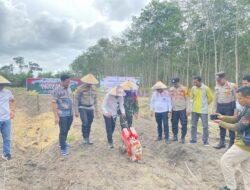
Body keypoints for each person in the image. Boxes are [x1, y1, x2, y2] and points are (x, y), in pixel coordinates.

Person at [213, 86, 250, 190]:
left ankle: (230, 187)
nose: (238, 101)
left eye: (240, 98)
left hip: (244, 144)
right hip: (247, 144)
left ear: (248, 97)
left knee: (225, 161)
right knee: (247, 169)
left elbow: (238, 127)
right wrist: (223, 117)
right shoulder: (246, 107)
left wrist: (222, 123)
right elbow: (237, 119)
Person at [213, 72, 237, 149]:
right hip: (220, 107)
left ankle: (231, 143)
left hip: (229, 107)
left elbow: (237, 98)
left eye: (219, 80)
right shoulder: (217, 86)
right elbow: (215, 99)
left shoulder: (232, 86)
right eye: (217, 81)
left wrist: (236, 110)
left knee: (230, 125)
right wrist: (214, 110)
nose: (218, 82)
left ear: (224, 79)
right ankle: (222, 142)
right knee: (221, 125)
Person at [51, 74, 73, 156]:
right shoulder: (56, 90)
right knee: (63, 130)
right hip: (62, 114)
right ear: (62, 81)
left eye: (69, 82)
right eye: (67, 82)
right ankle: (63, 147)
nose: (68, 83)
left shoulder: (69, 88)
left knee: (67, 129)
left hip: (70, 113)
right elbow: (53, 103)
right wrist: (56, 116)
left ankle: (63, 142)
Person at [74, 74, 98, 145]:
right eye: (89, 82)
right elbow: (76, 99)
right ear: (86, 81)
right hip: (82, 108)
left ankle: (88, 138)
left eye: (91, 82)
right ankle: (84, 139)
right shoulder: (80, 88)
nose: (90, 83)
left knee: (89, 124)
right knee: (85, 123)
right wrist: (76, 111)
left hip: (91, 108)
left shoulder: (94, 89)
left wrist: (96, 110)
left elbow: (95, 100)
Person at [190, 76, 213, 146]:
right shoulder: (193, 88)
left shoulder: (206, 88)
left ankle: (205, 141)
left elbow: (211, 98)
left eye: (196, 82)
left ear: (200, 81)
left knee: (205, 126)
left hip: (203, 110)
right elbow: (192, 97)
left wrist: (205, 104)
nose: (194, 83)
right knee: (193, 126)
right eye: (194, 82)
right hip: (194, 110)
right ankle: (193, 140)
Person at [169, 77, 189, 144]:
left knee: (184, 123)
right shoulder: (171, 89)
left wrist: (188, 109)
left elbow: (187, 99)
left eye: (175, 83)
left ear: (178, 82)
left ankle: (183, 137)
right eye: (173, 83)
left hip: (182, 109)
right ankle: (175, 136)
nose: (174, 85)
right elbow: (169, 99)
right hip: (174, 109)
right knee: (174, 123)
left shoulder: (184, 89)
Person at [0, 75, 15, 161]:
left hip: (6, 119)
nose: (1, 86)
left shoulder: (8, 92)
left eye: (2, 84)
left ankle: (6, 154)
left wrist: (13, 110)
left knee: (7, 138)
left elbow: (12, 100)